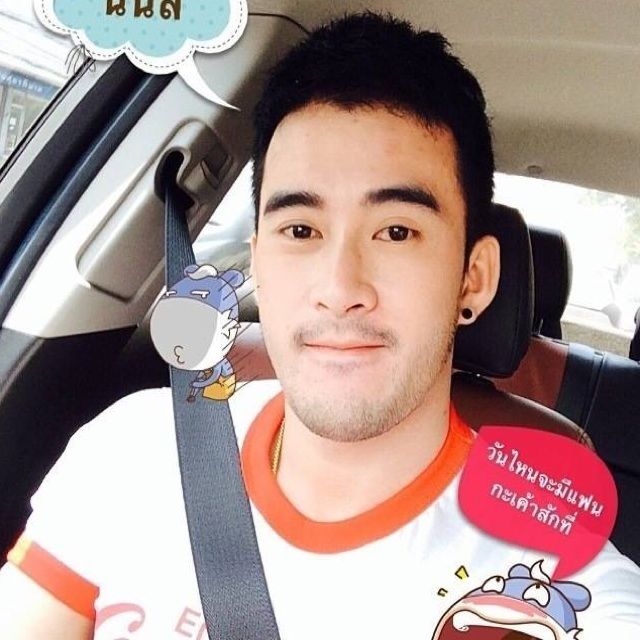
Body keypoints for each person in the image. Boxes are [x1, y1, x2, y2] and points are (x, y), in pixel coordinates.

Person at [1, 11, 639, 640]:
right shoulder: (132, 451)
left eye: (397, 231)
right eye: (301, 230)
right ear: (258, 261)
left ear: (473, 278)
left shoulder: (551, 586)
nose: (340, 290)